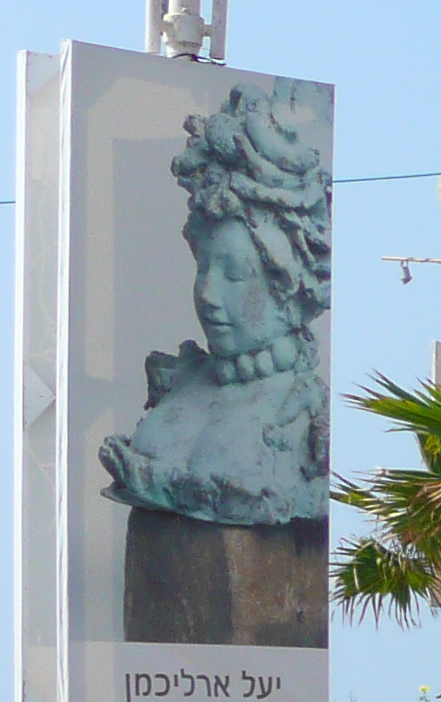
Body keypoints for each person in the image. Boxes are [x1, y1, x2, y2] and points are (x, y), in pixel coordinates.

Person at [100, 84, 332, 647]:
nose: (207, 295)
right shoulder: (176, 390)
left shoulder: (306, 417)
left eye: (233, 275)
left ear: (288, 283)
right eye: (203, 269)